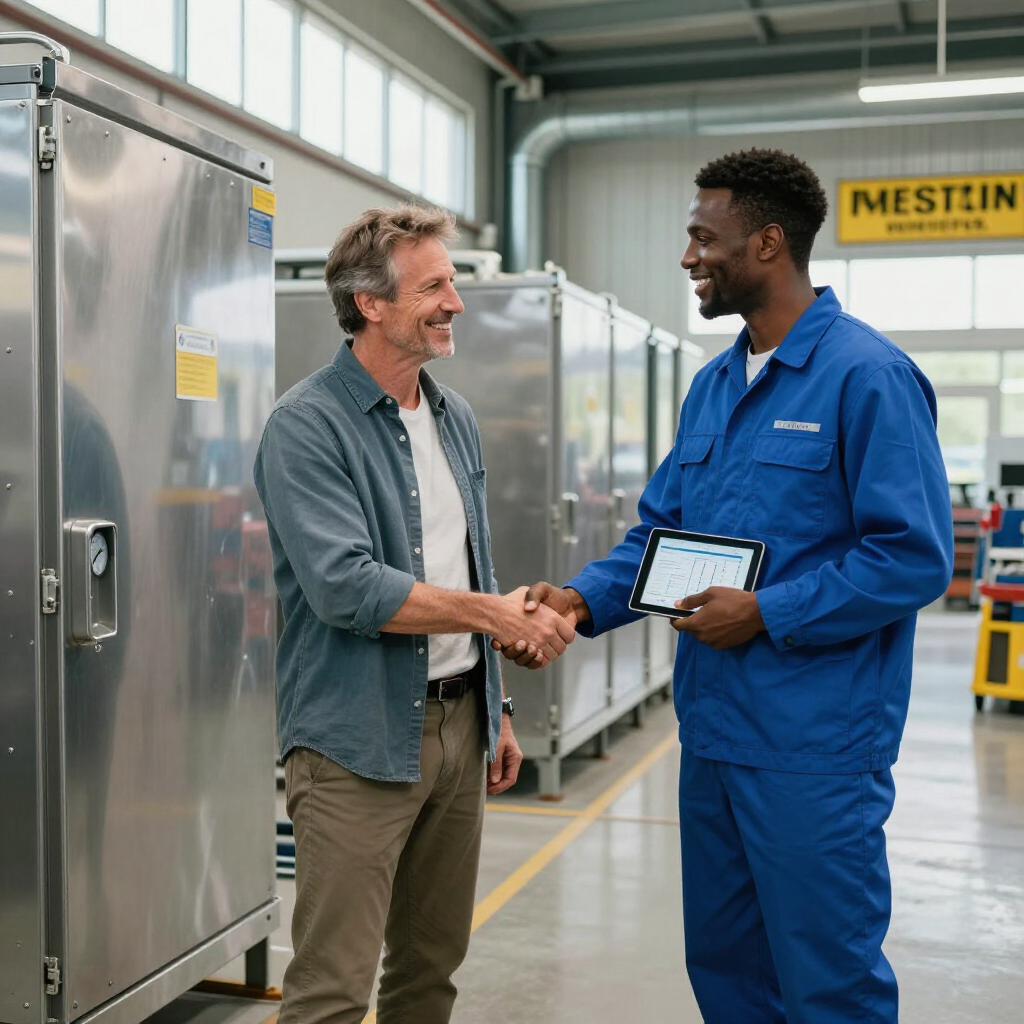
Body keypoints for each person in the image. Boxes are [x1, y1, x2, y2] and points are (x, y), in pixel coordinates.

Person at [499, 149, 953, 1023]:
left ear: (769, 244)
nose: (688, 257)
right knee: (727, 969)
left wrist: (767, 611)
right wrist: (580, 601)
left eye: (704, 238)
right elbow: (662, 537)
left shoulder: (868, 377)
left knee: (829, 981)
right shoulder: (714, 386)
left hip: (813, 747)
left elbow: (912, 555)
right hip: (712, 735)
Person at [254, 204, 575, 1024]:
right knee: (333, 989)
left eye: (452, 283)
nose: (454, 303)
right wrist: (497, 616)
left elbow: (470, 563)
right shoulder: (306, 425)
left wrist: (497, 702)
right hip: (355, 739)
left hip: (462, 724)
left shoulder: (452, 416)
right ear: (370, 303)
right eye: (433, 287)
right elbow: (346, 588)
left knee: (430, 971)